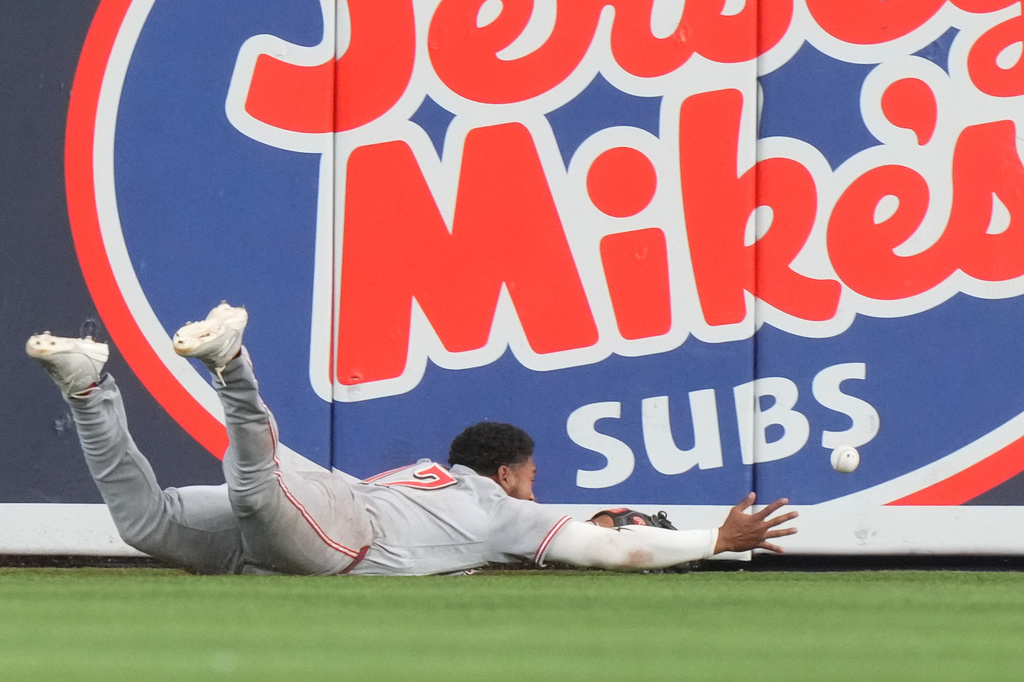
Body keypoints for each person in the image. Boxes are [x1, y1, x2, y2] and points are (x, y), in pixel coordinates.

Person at [25, 303, 797, 576]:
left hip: (316, 515)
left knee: (147, 522)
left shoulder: (428, 473)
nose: (538, 491)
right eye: (531, 476)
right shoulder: (499, 508)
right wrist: (714, 540)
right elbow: (606, 546)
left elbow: (604, 530)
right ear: (506, 472)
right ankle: (232, 365)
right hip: (339, 533)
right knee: (255, 490)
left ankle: (88, 385)